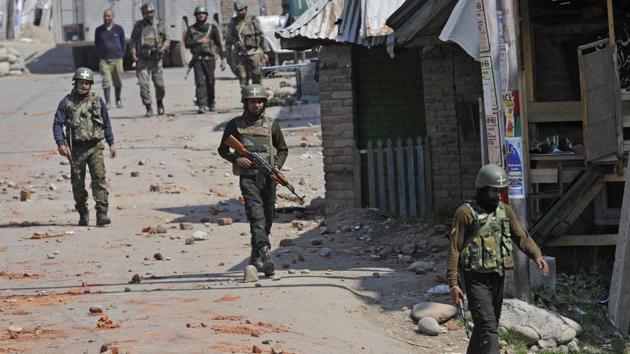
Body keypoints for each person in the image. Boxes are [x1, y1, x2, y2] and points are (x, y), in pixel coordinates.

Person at [447, 164, 550, 354]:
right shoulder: (465, 213)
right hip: (475, 279)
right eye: (494, 191)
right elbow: (454, 249)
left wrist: (536, 254)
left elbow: (521, 236)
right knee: (488, 329)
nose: (498, 195)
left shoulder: (505, 211)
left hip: (497, 277)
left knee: (485, 326)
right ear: (483, 189)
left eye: (500, 191)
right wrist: (453, 283)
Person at [218, 84, 288, 276]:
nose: (256, 105)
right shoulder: (235, 125)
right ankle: (266, 255)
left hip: (268, 178)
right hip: (248, 179)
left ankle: (255, 256)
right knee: (256, 216)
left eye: (259, 101)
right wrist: (237, 158)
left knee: (268, 217)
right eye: (252, 102)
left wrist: (277, 168)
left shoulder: (271, 124)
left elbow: (283, 149)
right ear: (245, 103)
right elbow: (223, 149)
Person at [52, 67, 116, 227]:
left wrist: (111, 143)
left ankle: (102, 213)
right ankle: (83, 213)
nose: (84, 86)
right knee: (77, 183)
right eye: (82, 83)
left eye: (87, 83)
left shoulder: (97, 101)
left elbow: (106, 122)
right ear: (76, 83)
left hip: (95, 147)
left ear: (91, 84)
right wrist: (60, 143)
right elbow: (57, 124)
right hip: (76, 150)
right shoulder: (66, 103)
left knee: (99, 179)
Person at [130, 3, 170, 117]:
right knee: (143, 84)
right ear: (143, 14)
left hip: (156, 58)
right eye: (146, 13)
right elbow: (133, 39)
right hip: (142, 58)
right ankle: (148, 106)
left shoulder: (160, 25)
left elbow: (167, 38)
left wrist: (162, 48)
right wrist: (133, 51)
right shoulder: (138, 26)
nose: (149, 15)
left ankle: (159, 102)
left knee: (159, 84)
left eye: (151, 12)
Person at [184, 5, 227, 113]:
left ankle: (211, 103)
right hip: (197, 59)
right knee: (200, 82)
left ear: (206, 15)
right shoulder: (191, 29)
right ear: (196, 15)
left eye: (203, 13)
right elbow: (187, 44)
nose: (201, 15)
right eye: (199, 14)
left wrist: (223, 59)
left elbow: (219, 44)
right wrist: (198, 41)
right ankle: (201, 105)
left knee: (210, 82)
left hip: (210, 59)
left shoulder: (212, 28)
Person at [225, 0, 270, 88]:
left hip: (254, 53)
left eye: (242, 10)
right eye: (238, 10)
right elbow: (228, 41)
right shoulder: (233, 22)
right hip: (240, 54)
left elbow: (261, 35)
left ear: (246, 9)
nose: (240, 12)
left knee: (256, 76)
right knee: (243, 78)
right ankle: (246, 100)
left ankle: (258, 98)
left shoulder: (252, 20)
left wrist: (266, 52)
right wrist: (228, 56)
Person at [94, 9, 125, 109]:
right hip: (104, 60)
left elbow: (123, 43)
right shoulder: (99, 30)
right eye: (105, 16)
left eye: (108, 16)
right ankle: (107, 102)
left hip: (117, 59)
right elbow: (97, 44)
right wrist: (101, 56)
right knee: (106, 81)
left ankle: (118, 100)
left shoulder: (119, 29)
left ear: (113, 17)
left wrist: (121, 54)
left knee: (118, 81)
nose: (106, 18)